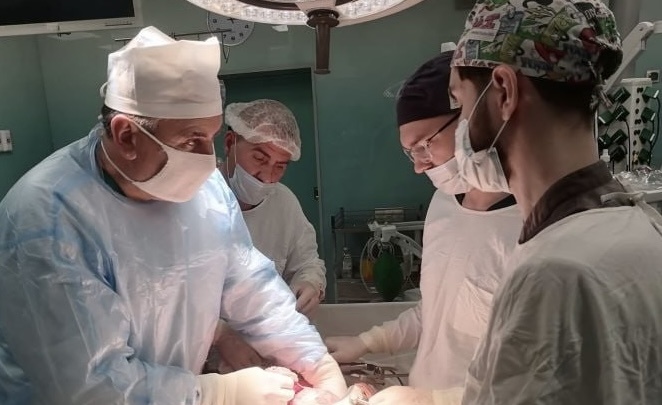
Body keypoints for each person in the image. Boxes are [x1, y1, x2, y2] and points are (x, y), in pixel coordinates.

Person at [0, 26, 345, 405]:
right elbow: (89, 385)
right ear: (126, 135)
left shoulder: (208, 194)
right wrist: (218, 393)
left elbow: (251, 289)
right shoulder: (47, 218)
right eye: (191, 140)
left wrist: (313, 358)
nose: (206, 160)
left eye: (210, 138)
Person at [448, 0, 662, 403]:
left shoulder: (553, 275)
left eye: (460, 103)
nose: (460, 126)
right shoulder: (640, 225)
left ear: (504, 90)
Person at [324, 47, 522, 405]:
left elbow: (533, 381)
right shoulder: (445, 204)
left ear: (470, 119)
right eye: (410, 152)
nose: (419, 165)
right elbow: (434, 314)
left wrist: (434, 400)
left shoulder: (531, 227)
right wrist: (367, 343)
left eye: (425, 145)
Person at [206, 99, 327, 373]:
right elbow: (173, 297)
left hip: (269, 360)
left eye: (280, 166)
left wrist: (309, 282)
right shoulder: (199, 201)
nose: (267, 176)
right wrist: (219, 334)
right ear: (229, 143)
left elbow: (307, 261)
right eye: (260, 159)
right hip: (201, 363)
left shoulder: (283, 203)